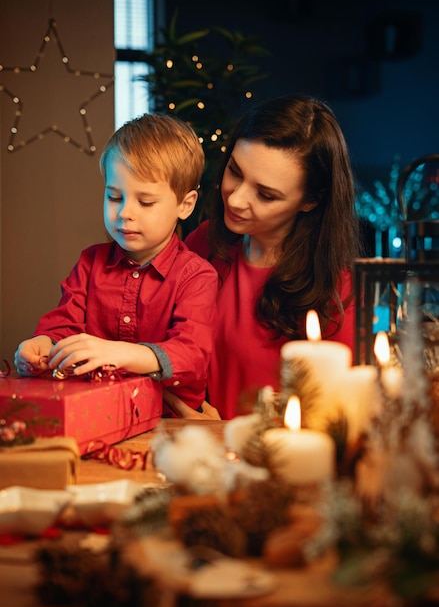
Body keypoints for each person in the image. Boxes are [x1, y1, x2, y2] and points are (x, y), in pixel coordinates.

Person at [167, 93, 361, 420]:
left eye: (266, 194)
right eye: (235, 171)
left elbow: (337, 425)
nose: (237, 199)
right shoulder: (204, 243)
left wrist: (224, 435)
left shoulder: (335, 295)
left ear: (311, 200)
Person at [14, 113, 219, 415]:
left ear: (184, 205)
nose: (125, 212)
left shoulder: (197, 276)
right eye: (114, 197)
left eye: (145, 202)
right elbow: (63, 323)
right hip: (96, 414)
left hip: (170, 422)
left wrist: (119, 353)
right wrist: (44, 344)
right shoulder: (90, 262)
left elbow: (191, 353)